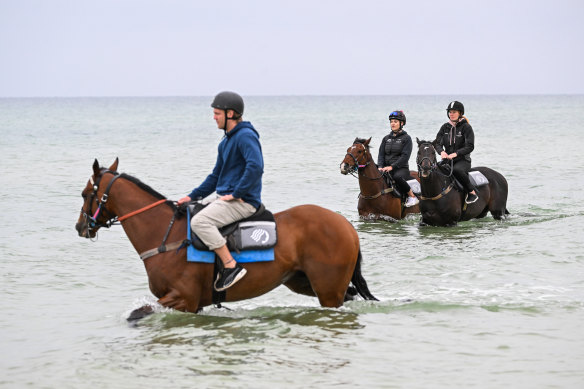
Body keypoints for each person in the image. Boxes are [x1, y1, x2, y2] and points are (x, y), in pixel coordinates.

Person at [178, 91, 264, 291]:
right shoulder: (225, 142)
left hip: (245, 202)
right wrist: (192, 196)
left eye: (217, 113)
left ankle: (230, 266)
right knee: (190, 213)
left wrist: (237, 193)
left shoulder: (245, 136)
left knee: (201, 221)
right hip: (227, 198)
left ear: (231, 114)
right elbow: (215, 176)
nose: (214, 117)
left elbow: (255, 167)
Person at [434, 100, 478, 204]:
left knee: (457, 170)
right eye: (450, 112)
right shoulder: (445, 127)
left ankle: (472, 192)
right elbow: (437, 143)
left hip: (463, 160)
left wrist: (456, 154)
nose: (451, 114)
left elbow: (470, 146)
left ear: (460, 113)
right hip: (447, 160)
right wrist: (442, 152)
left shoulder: (466, 127)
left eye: (454, 112)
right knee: (434, 171)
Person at [377, 110, 419, 207]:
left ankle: (412, 196)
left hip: (401, 169)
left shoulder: (407, 138)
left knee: (397, 177)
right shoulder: (386, 138)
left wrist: (392, 167)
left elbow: (405, 157)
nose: (393, 124)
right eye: (391, 122)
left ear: (402, 123)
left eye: (395, 122)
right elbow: (381, 154)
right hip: (385, 168)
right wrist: (380, 166)